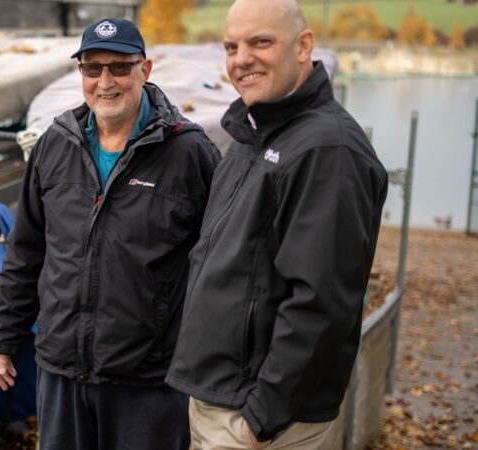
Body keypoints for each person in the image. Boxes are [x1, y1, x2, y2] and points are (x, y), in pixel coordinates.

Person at [0, 18, 221, 450]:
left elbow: (222, 268)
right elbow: (27, 250)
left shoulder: (189, 152)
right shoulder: (56, 143)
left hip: (148, 381)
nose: (105, 82)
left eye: (119, 67)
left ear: (144, 69)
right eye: (92, 69)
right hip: (62, 372)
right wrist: (3, 331)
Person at [165, 1, 388, 449]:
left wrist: (263, 416)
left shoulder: (326, 151)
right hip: (221, 400)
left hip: (257, 421)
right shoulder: (257, 133)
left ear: (304, 46)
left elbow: (321, 301)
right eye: (232, 46)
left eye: (260, 42)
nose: (241, 58)